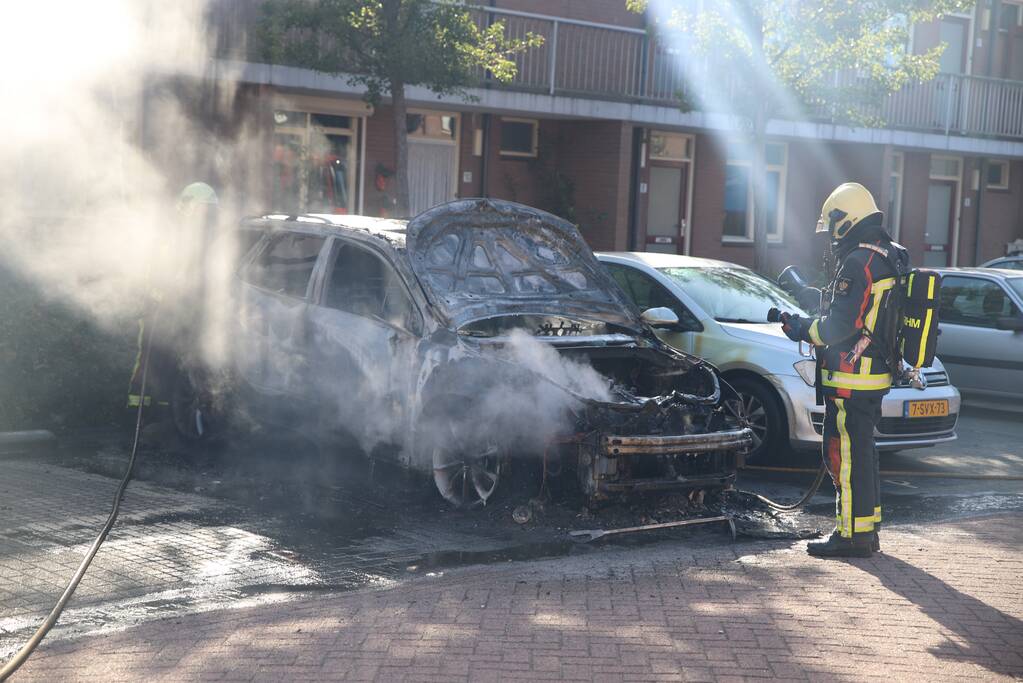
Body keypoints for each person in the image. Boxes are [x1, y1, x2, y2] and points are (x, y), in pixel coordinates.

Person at [778, 182, 903, 558]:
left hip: (852, 377)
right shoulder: (887, 255)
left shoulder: (858, 261)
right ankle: (867, 530)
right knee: (862, 455)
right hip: (872, 375)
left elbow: (838, 327)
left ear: (844, 221)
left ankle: (851, 537)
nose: (831, 234)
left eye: (833, 225)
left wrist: (802, 329)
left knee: (846, 456)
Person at [127, 182, 219, 425]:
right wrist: (160, 296)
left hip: (180, 311)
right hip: (158, 310)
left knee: (174, 363)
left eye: (210, 212)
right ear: (189, 208)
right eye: (203, 211)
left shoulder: (204, 239)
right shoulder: (169, 236)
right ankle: (139, 415)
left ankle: (166, 416)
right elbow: (153, 273)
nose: (207, 217)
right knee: (150, 359)